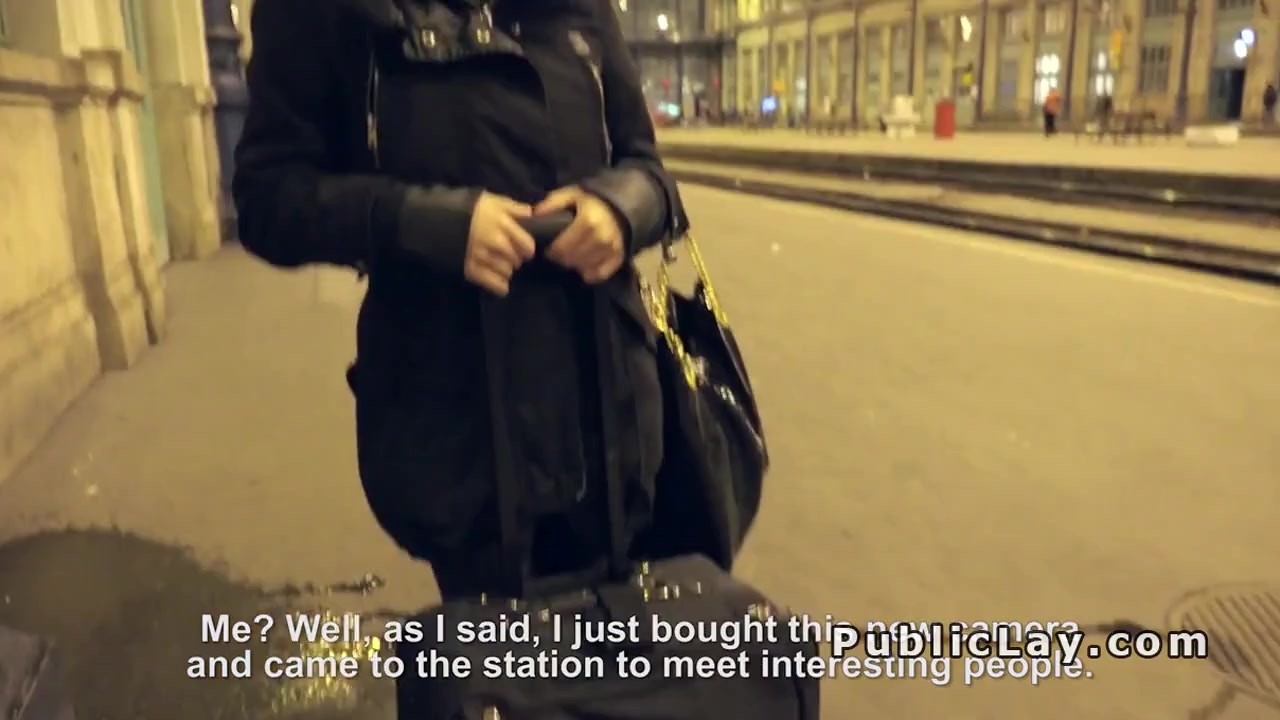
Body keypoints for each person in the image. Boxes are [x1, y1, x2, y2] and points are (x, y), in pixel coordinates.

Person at [233, 0, 686, 600]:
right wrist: (420, 222)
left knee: (621, 641)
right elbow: (269, 198)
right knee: (496, 643)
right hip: (460, 428)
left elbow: (647, 167)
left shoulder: (583, 8)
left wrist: (624, 210)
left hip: (612, 408)